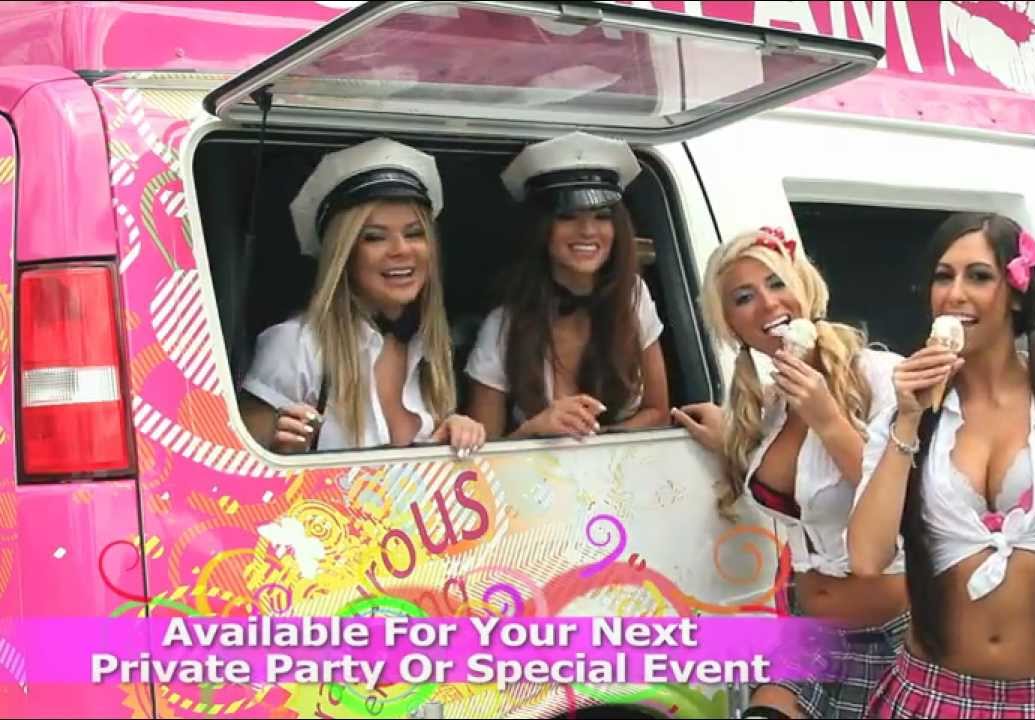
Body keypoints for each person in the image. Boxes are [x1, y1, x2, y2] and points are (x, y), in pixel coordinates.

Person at [849, 213, 1035, 719]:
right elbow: (868, 557)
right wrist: (908, 419)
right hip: (932, 692)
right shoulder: (905, 402)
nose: (955, 294)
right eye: (943, 276)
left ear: (1017, 293)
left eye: (978, 276)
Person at [672, 227, 909, 719]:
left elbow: (905, 504)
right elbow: (794, 488)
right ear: (731, 326)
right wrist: (731, 443)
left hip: (899, 640)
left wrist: (828, 418)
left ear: (804, 287)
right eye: (743, 297)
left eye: (776, 283)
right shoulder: (772, 407)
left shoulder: (881, 375)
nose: (767, 303)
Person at [240, 137, 486, 456]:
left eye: (414, 233)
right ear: (344, 254)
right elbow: (239, 462)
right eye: (374, 237)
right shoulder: (297, 345)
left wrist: (454, 432)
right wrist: (278, 444)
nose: (401, 250)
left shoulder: (431, 345)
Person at [465, 131, 669, 439]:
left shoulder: (633, 296)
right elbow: (482, 455)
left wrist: (595, 439)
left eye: (602, 216)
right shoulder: (502, 326)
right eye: (568, 216)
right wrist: (535, 431)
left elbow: (659, 413)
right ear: (541, 227)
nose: (588, 230)